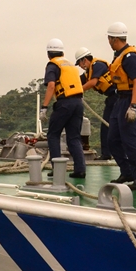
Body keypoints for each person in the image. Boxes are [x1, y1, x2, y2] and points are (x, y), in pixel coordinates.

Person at [105, 22, 136, 190]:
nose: (108, 42)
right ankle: (127, 172)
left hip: (130, 100)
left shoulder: (130, 57)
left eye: (109, 39)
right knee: (112, 139)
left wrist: (133, 106)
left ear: (114, 39)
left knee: (130, 141)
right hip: (120, 100)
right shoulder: (119, 56)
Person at [40, 39, 87, 178]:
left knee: (53, 134)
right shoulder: (71, 65)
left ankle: (57, 169)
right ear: (63, 52)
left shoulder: (52, 65)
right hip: (78, 103)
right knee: (74, 138)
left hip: (65, 103)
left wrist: (44, 107)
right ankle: (80, 170)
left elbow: (51, 86)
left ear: (48, 54)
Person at [75, 47, 115, 160]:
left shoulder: (98, 65)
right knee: (106, 126)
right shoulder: (89, 72)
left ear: (84, 60)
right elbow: (77, 81)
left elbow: (93, 82)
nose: (80, 66)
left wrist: (79, 91)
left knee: (119, 126)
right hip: (111, 99)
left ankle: (127, 153)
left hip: (118, 97)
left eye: (79, 63)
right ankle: (106, 153)